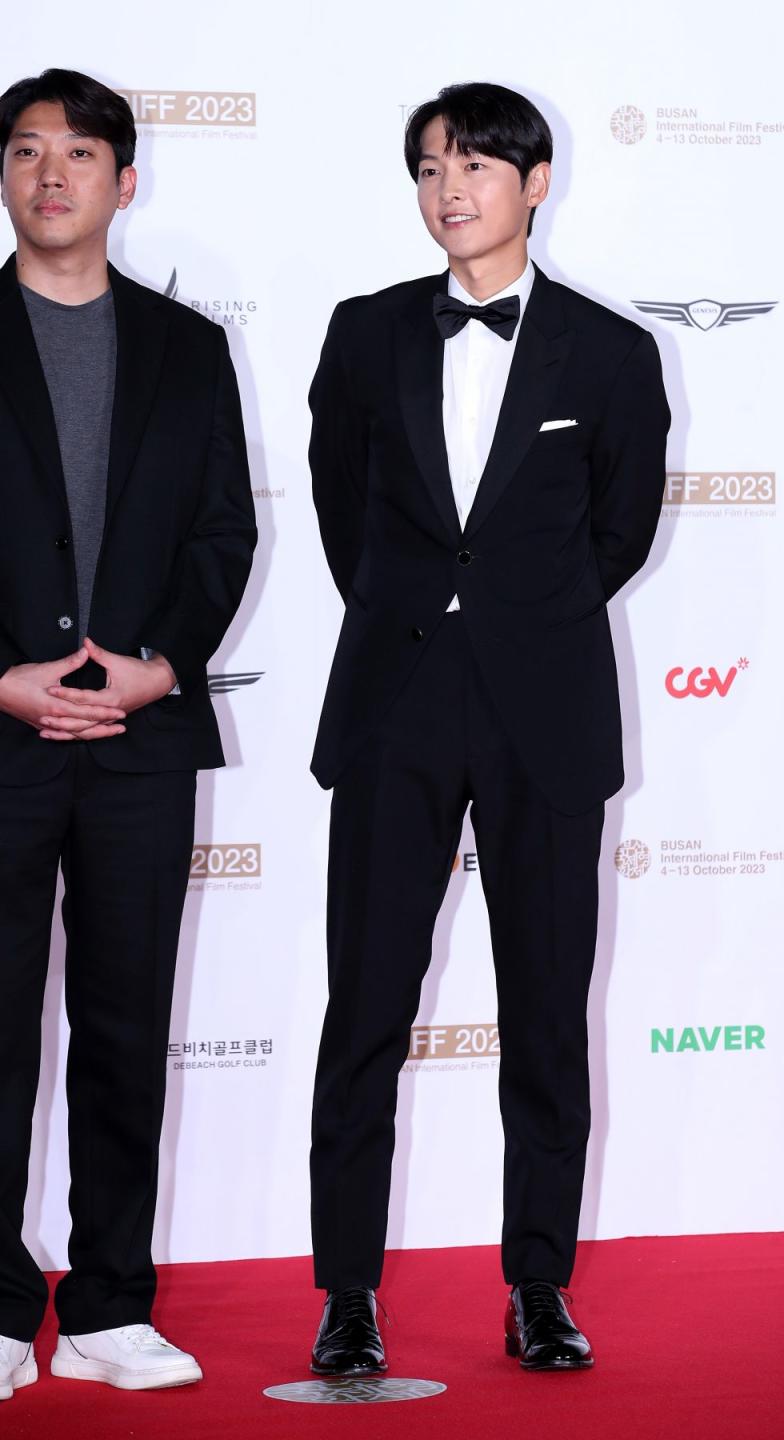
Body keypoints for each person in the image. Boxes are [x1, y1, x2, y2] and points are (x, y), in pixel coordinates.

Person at [308, 81, 669, 1375]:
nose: (447, 189)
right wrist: (419, 614)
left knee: (546, 1020)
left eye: (471, 165)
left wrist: (518, 617)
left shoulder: (614, 355)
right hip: (398, 702)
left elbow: (617, 533)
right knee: (364, 1014)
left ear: (535, 179)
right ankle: (345, 1294)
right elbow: (339, 503)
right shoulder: (364, 334)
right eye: (426, 168)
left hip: (546, 716)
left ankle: (539, 1287)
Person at [0, 69, 255, 1399]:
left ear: (124, 181)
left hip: (141, 744)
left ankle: (108, 1305)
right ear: (5, 176)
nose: (54, 174)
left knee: (120, 1023)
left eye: (82, 153)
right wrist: (2, 681)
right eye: (29, 151)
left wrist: (157, 671)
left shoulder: (189, 348)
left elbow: (226, 536)